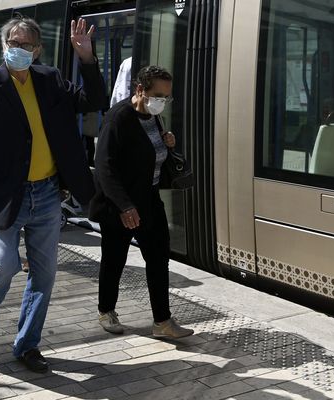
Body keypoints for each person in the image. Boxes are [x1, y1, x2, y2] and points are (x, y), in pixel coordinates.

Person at [0, 16, 106, 373]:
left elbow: (93, 99)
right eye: (13, 43)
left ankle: (28, 344)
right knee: (2, 267)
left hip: (47, 194)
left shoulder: (49, 79)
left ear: (37, 50)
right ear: (4, 45)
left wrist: (86, 58)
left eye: (26, 45)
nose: (18, 50)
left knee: (45, 274)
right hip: (3, 197)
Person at [89, 65, 194, 339]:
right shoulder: (118, 119)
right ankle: (106, 309)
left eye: (166, 97)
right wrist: (125, 206)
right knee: (114, 260)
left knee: (159, 260)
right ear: (140, 90)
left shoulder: (153, 117)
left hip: (149, 199)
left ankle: (163, 321)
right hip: (120, 206)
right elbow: (104, 168)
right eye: (158, 95)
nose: (163, 101)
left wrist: (167, 143)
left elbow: (150, 153)